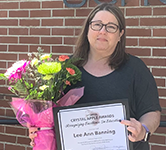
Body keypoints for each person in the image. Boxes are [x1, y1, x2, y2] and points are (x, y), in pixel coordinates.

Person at [29, 2, 161, 150]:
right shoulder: (66, 69)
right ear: (87, 30)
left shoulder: (136, 68)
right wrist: (41, 131)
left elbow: (152, 112)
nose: (103, 31)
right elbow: (50, 116)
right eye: (97, 25)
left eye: (111, 27)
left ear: (120, 35)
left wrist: (143, 129)